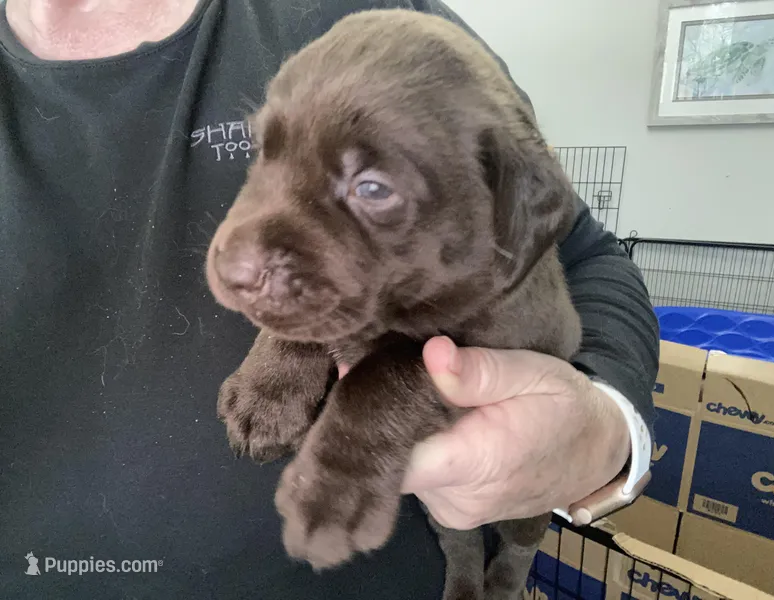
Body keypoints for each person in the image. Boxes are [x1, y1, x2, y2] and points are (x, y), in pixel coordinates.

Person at [0, 1, 659, 598]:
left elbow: (580, 253)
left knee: (500, 541)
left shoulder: (364, 20)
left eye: (374, 189)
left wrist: (602, 428)